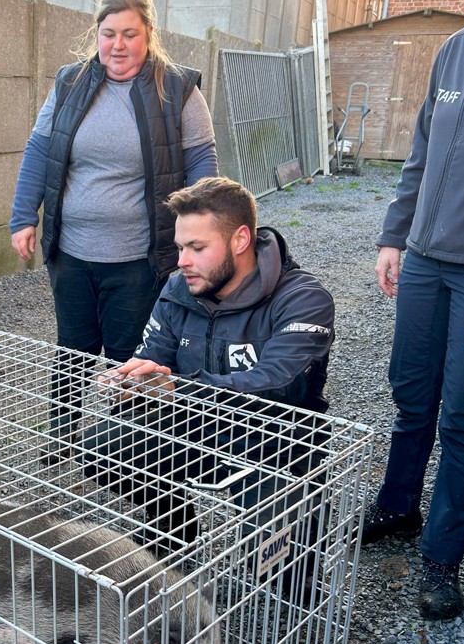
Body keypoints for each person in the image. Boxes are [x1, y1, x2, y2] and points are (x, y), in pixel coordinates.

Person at [9, 0, 218, 443]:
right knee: (73, 352)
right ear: (97, 34)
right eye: (109, 34)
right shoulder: (71, 82)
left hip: (139, 259)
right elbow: (40, 150)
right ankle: (61, 437)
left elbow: (204, 163)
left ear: (148, 34)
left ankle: (126, 448)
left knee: (131, 356)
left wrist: (206, 233)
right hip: (73, 253)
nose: (118, 45)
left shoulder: (179, 89)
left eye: (130, 34)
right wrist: (24, 216)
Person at [78, 176, 334, 553]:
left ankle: (294, 577)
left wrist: (179, 387)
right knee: (102, 447)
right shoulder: (180, 285)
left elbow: (280, 383)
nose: (182, 261)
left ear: (240, 240)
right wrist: (132, 379)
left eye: (197, 248)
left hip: (274, 442)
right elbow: (154, 354)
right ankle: (175, 525)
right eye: (180, 247)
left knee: (281, 568)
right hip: (193, 423)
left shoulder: (304, 298)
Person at [360, 0, 464, 621]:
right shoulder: (451, 53)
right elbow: (421, 152)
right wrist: (392, 234)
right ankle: (400, 506)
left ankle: (442, 556)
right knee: (411, 393)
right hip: (427, 263)